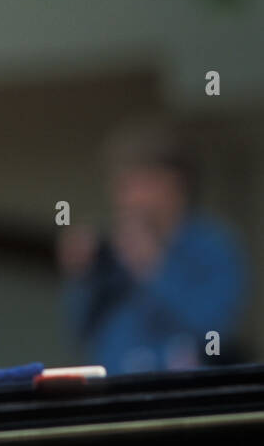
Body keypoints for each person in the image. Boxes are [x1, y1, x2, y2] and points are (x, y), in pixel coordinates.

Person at [58, 121, 248, 374]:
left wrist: (152, 266)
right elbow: (80, 331)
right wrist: (82, 274)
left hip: (185, 396)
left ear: (172, 184)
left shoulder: (213, 246)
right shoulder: (112, 251)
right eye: (119, 186)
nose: (123, 199)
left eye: (134, 185)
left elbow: (213, 330)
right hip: (116, 394)